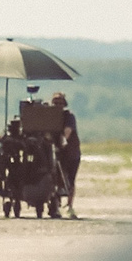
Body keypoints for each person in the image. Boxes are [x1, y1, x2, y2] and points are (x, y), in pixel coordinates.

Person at [51, 90, 82, 218]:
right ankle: (56, 205)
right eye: (55, 102)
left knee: (70, 180)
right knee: (55, 179)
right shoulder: (49, 117)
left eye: (60, 102)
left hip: (71, 153)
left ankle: (69, 206)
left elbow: (67, 132)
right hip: (56, 153)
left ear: (64, 104)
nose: (58, 105)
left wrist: (62, 141)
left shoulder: (69, 117)